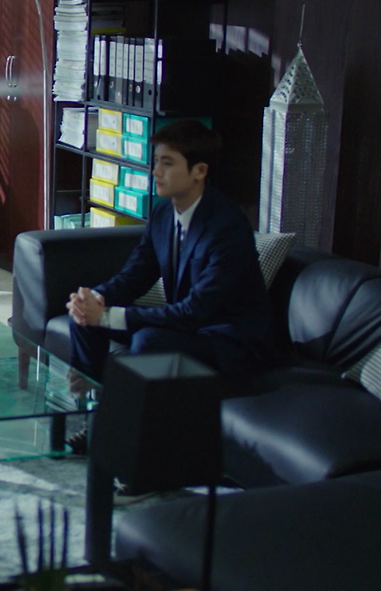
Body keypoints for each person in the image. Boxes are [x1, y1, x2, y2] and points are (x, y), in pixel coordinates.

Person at [64, 120, 271, 450]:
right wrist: (96, 298)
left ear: (199, 171)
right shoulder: (163, 214)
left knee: (147, 340)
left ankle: (127, 440)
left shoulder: (227, 227)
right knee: (84, 320)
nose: (155, 171)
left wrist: (107, 315)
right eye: (156, 161)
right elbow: (136, 275)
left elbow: (196, 310)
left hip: (225, 340)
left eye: (167, 163)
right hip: (188, 327)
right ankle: (95, 420)